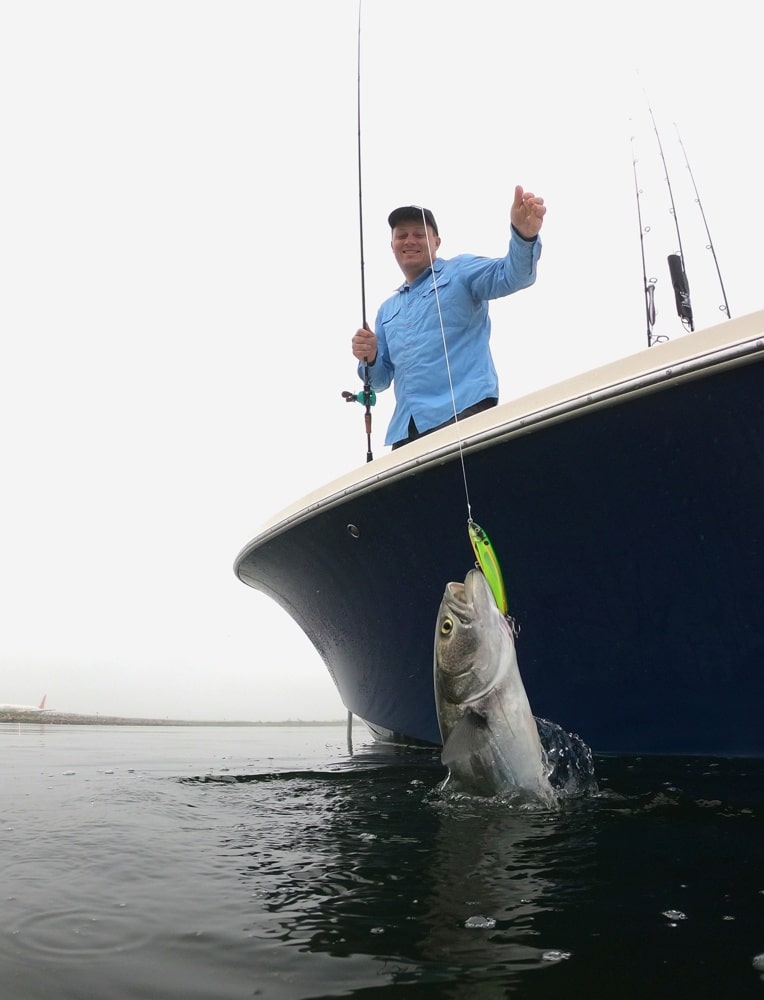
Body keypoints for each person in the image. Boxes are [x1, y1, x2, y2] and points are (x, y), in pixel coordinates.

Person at [351, 185, 545, 450]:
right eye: (402, 235)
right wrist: (370, 356)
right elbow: (381, 378)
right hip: (406, 433)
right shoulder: (386, 310)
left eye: (419, 234)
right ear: (392, 245)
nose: (410, 240)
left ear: (437, 242)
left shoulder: (460, 271)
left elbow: (513, 275)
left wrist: (524, 236)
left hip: (466, 412)